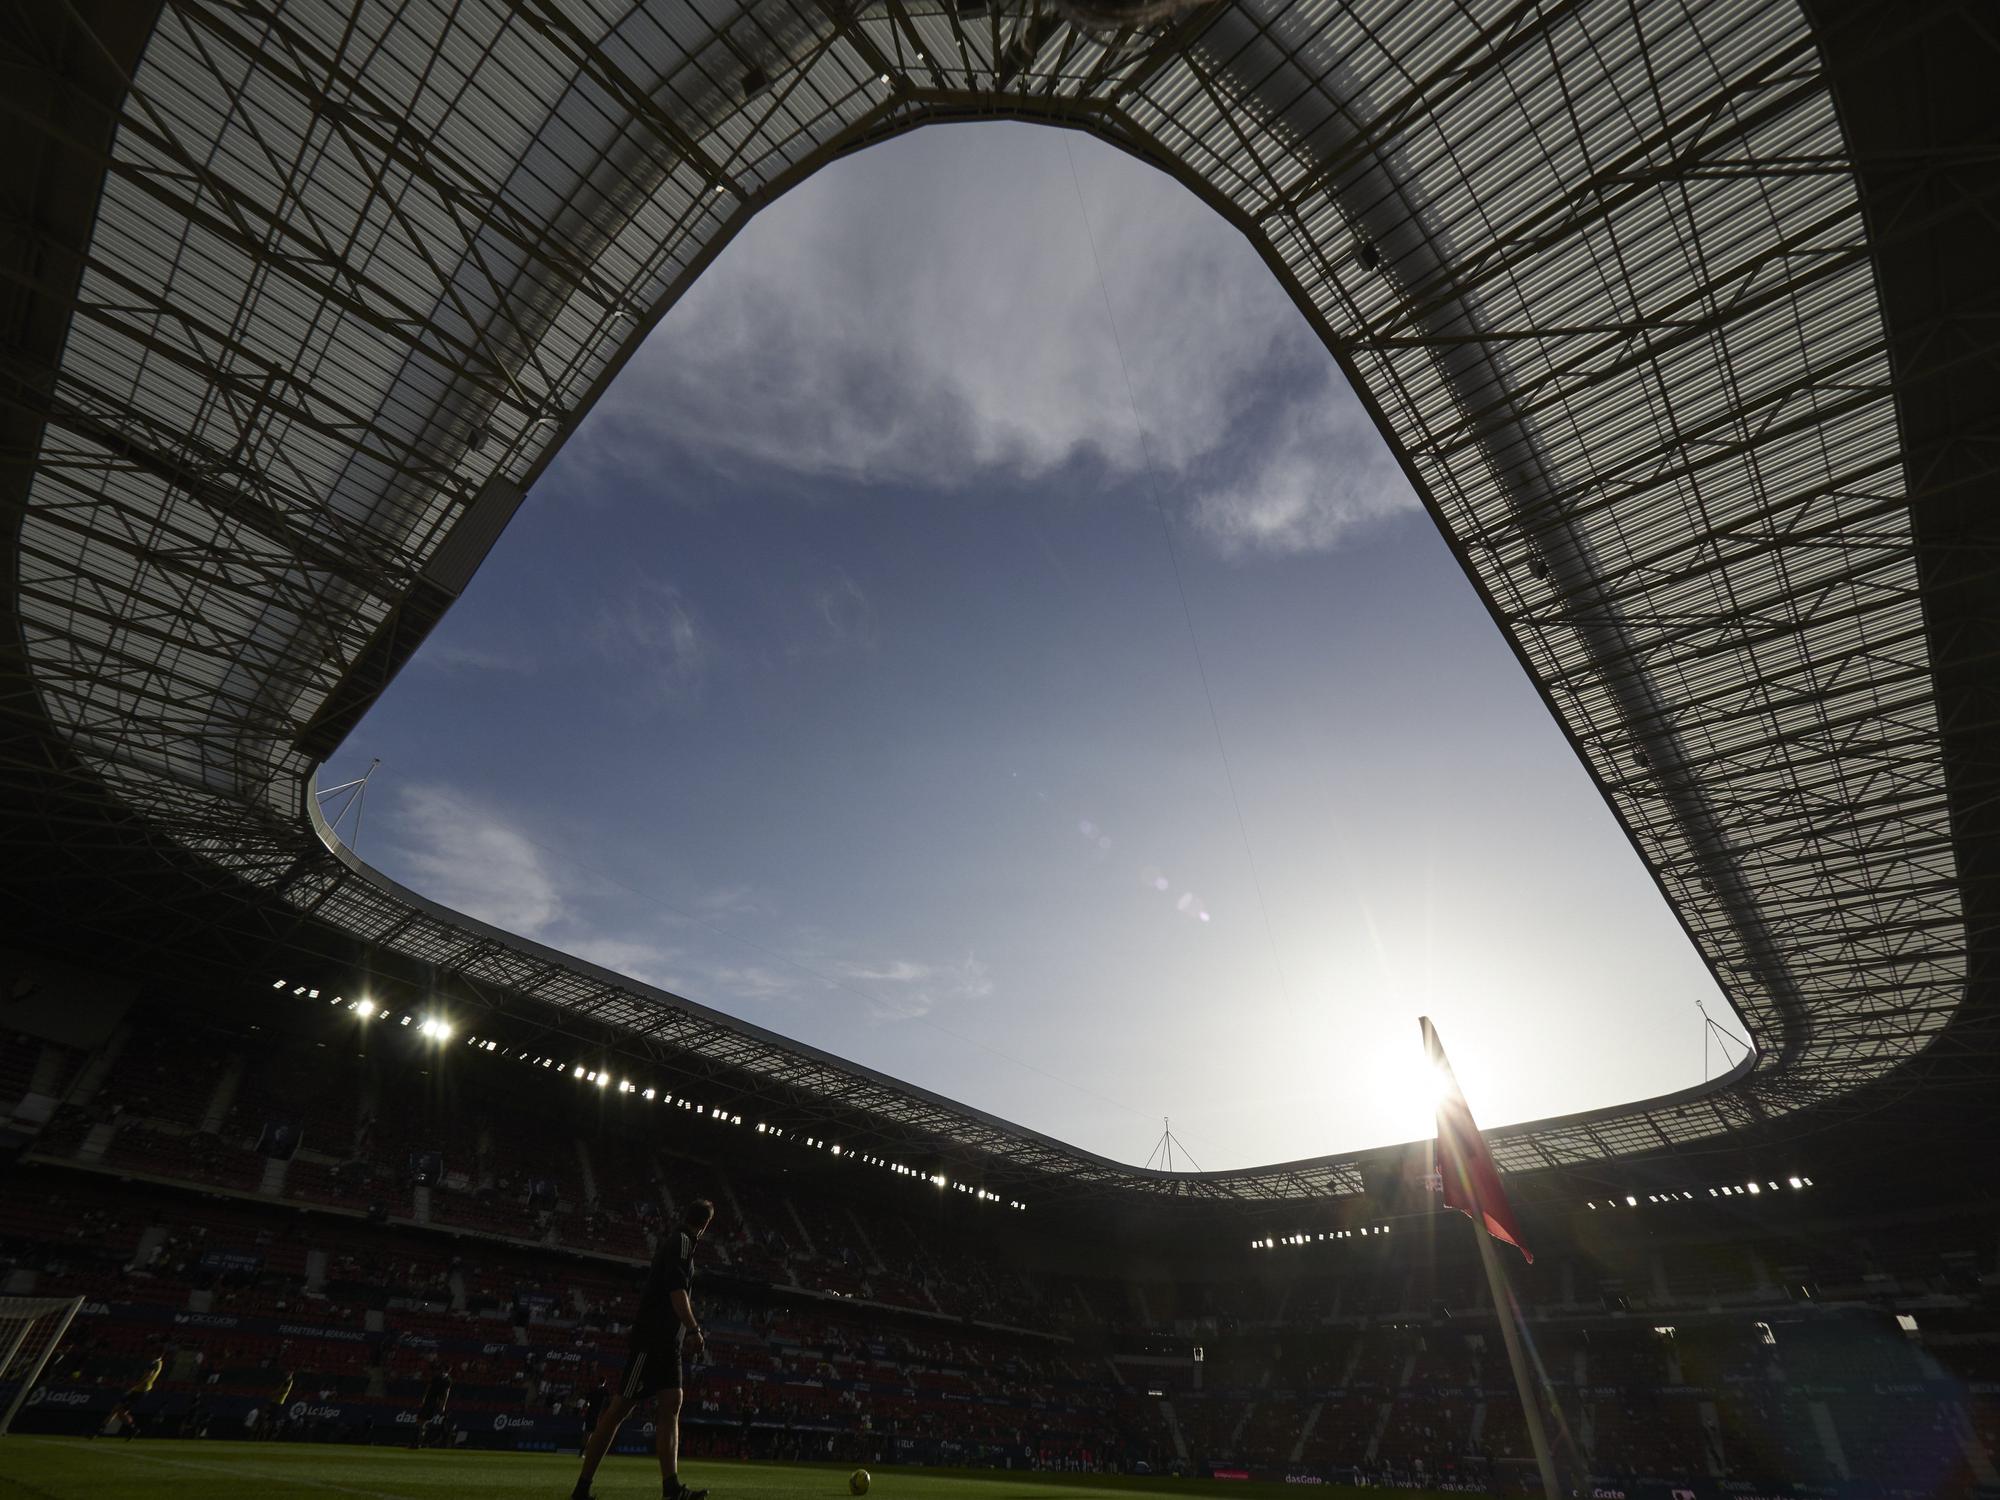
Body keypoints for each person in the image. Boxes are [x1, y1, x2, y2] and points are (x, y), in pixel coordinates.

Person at [569, 1198, 715, 1500]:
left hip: (667, 1344)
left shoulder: (680, 1243)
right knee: (618, 1411)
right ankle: (581, 1489)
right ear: (705, 1225)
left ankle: (671, 1488)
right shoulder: (683, 1243)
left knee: (672, 1405)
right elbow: (677, 1292)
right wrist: (693, 1328)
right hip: (652, 1341)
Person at [104, 1351, 162, 1438]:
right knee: (117, 1410)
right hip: (139, 1390)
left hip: (139, 1391)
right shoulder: (159, 1362)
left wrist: (133, 1387)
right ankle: (98, 1431)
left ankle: (134, 1429)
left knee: (120, 1411)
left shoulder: (154, 1363)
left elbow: (147, 1376)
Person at [414, 1362, 452, 1448]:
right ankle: (418, 1442)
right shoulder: (444, 1379)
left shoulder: (443, 1379)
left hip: (432, 1401)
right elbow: (445, 1393)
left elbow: (444, 1393)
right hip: (432, 1401)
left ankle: (418, 1442)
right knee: (421, 1421)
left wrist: (443, 1405)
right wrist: (443, 1405)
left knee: (421, 1422)